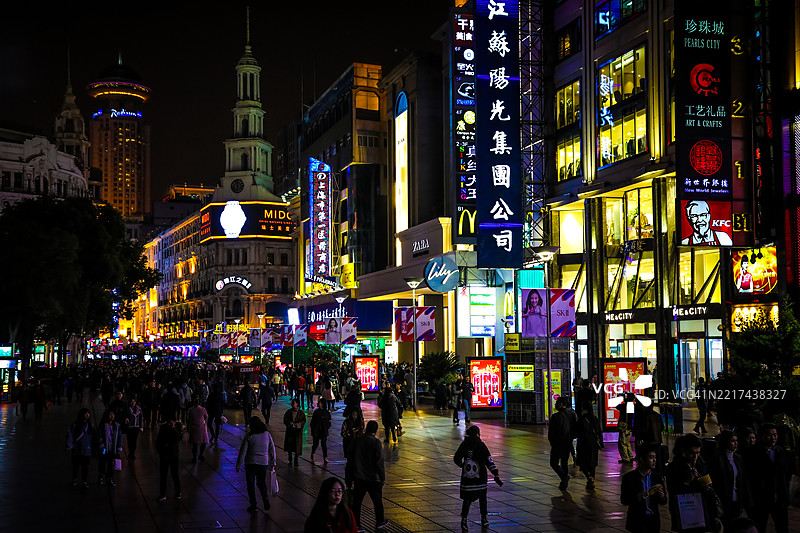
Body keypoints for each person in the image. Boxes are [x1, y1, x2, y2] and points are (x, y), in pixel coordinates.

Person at [743, 423, 791, 533]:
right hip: (761, 499)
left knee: (783, 527)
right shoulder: (752, 453)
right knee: (759, 526)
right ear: (761, 436)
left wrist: (785, 496)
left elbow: (785, 475)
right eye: (769, 435)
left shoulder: (781, 451)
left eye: (775, 435)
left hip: (779, 498)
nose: (773, 438)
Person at [453, 425, 502, 531]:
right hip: (480, 477)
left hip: (468, 477)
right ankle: (484, 518)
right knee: (482, 498)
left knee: (467, 500)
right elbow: (489, 461)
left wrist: (463, 466)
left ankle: (464, 520)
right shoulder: (481, 445)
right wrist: (495, 473)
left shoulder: (464, 444)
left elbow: (456, 458)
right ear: (478, 434)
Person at [348, 420, 389, 530]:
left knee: (357, 502)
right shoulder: (376, 443)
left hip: (359, 477)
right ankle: (379, 521)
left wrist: (349, 476)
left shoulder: (357, 440)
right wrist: (382, 477)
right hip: (373, 478)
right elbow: (379, 462)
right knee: (377, 501)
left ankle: (357, 524)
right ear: (375, 430)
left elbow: (350, 458)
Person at [620, 443, 668, 533]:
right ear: (641, 459)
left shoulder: (657, 477)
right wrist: (637, 497)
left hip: (653, 521)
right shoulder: (629, 478)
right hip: (637, 521)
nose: (654, 460)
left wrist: (662, 496)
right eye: (651, 457)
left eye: (655, 457)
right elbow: (624, 500)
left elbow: (664, 501)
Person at [709, 430, 751, 528]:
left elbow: (743, 480)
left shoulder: (738, 458)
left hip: (736, 500)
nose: (736, 443)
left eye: (736, 441)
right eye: (732, 441)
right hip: (723, 500)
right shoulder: (717, 459)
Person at [236, 416, 277, 512]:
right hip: (263, 463)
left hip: (251, 462)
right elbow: (272, 449)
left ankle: (253, 504)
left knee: (250, 484)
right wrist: (273, 461)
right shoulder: (267, 434)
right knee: (261, 482)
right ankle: (265, 498)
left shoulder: (249, 436)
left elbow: (243, 451)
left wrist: (238, 464)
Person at [548, 396, 577, 490]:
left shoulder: (555, 417)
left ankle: (564, 477)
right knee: (564, 462)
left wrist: (552, 442)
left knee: (554, 463)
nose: (555, 405)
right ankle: (564, 481)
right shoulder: (572, 414)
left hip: (558, 443)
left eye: (556, 404)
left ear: (561, 405)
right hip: (568, 442)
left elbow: (551, 432)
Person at [575, 400, 603, 490]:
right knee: (592, 463)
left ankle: (588, 477)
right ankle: (592, 477)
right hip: (593, 444)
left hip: (583, 444)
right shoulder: (595, 418)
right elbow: (599, 431)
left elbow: (577, 431)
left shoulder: (582, 419)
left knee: (583, 463)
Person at [156, 418, 184, 502]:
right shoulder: (163, 427)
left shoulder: (178, 426)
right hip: (165, 453)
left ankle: (178, 492)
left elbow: (179, 437)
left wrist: (173, 428)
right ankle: (163, 494)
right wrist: (160, 450)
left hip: (173, 454)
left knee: (174, 474)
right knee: (163, 475)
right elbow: (158, 440)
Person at [66, 407, 95, 488]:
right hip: (77, 449)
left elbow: (93, 436)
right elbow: (70, 434)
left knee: (85, 467)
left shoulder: (90, 425)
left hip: (87, 450)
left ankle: (84, 480)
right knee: (76, 466)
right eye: (86, 413)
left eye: (88, 413)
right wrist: (69, 444)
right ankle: (75, 479)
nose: (87, 415)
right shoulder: (75, 424)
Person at [96, 410, 123, 487]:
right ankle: (101, 477)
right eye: (110, 414)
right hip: (104, 449)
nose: (111, 416)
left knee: (111, 464)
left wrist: (119, 448)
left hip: (112, 449)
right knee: (103, 462)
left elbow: (119, 437)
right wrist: (102, 446)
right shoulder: (102, 426)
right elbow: (99, 437)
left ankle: (110, 478)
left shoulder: (117, 426)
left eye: (112, 414)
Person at [341, 409, 365, 489]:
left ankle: (355, 481)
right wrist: (351, 434)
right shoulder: (347, 422)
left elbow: (362, 432)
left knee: (356, 464)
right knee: (350, 464)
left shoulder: (360, 423)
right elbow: (343, 433)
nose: (354, 416)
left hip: (357, 447)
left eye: (356, 414)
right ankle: (349, 482)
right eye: (353, 414)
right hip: (349, 446)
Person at [283, 398, 306, 465]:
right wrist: (290, 424)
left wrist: (298, 425)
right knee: (289, 445)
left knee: (297, 446)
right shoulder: (289, 412)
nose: (293, 404)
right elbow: (285, 420)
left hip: (297, 432)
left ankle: (296, 459)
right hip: (290, 431)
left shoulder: (301, 413)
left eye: (294, 403)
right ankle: (290, 459)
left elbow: (303, 421)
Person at [186, 397, 209, 463]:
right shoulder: (203, 409)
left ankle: (194, 457)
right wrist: (205, 424)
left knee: (194, 445)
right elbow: (206, 417)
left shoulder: (191, 410)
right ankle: (200, 455)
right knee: (203, 442)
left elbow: (188, 418)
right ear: (200, 403)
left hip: (193, 428)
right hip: (202, 428)